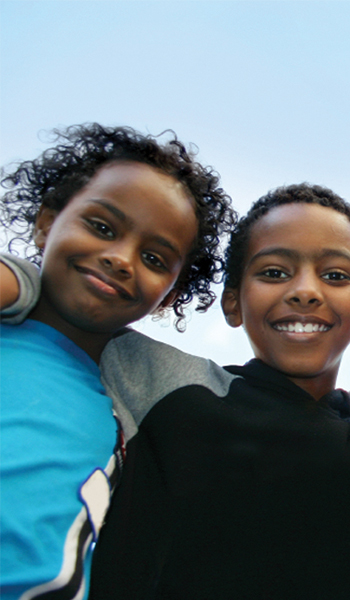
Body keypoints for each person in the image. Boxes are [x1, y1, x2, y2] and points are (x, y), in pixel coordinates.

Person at [31, 183, 350, 599]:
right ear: (233, 302)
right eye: (274, 272)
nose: (306, 291)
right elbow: (52, 295)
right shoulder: (161, 382)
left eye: (335, 276)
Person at [0, 123, 235, 600]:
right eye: (102, 228)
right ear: (47, 223)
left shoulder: (133, 412)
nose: (122, 259)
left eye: (154, 257)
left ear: (169, 295)